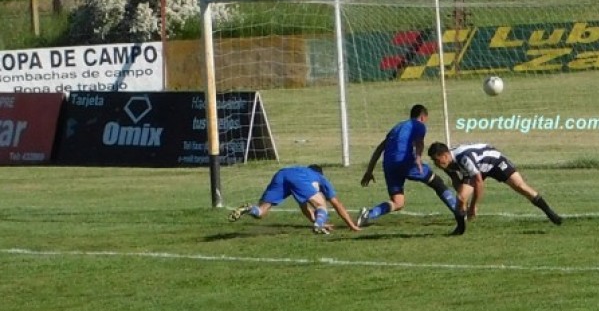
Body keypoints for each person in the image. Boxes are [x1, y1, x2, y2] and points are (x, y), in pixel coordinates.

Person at [358, 104, 466, 235]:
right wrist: (418, 159)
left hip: (389, 165)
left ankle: (368, 214)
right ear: (422, 117)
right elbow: (420, 143)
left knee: (398, 202)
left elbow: (380, 148)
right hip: (405, 162)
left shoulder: (396, 128)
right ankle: (459, 212)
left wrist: (369, 171)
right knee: (436, 182)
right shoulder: (419, 125)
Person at [427, 142, 563, 226]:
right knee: (461, 198)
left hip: (494, 162)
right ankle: (461, 227)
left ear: (445, 155)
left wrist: (473, 206)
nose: (436, 164)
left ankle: (550, 213)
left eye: (437, 160)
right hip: (475, 169)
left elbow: (479, 182)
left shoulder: (464, 158)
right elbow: (456, 180)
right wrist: (463, 197)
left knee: (520, 186)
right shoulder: (446, 163)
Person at [228, 164, 361, 235]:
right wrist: (352, 225)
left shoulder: (301, 170)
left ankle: (249, 208)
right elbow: (337, 204)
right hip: (295, 179)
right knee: (321, 205)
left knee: (261, 212)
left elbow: (304, 207)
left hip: (281, 174)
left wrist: (315, 221)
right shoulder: (319, 177)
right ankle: (319, 226)